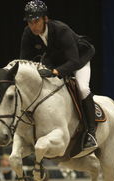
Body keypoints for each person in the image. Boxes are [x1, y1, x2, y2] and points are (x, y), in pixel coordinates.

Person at [20, 0, 97, 152]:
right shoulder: (28, 33)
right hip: (55, 60)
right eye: (30, 22)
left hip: (79, 59)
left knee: (82, 88)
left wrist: (55, 72)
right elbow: (24, 61)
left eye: (36, 21)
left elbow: (73, 61)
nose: (33, 26)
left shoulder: (61, 30)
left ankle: (91, 132)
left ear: (45, 19)